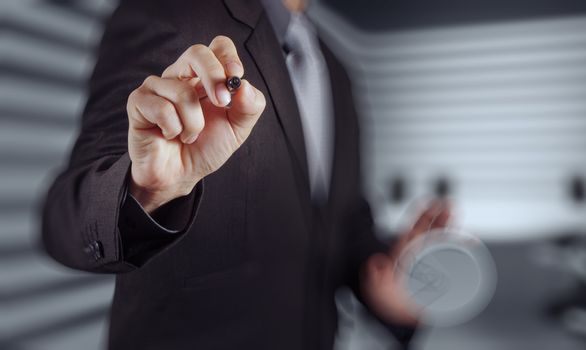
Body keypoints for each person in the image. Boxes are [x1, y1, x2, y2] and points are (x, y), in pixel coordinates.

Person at [41, 0, 451, 349]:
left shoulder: (338, 70)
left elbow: (343, 221)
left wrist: (391, 277)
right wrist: (147, 192)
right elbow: (67, 218)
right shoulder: (168, 10)